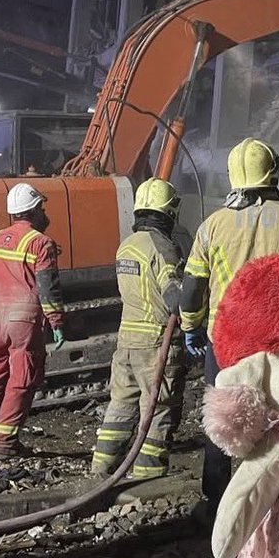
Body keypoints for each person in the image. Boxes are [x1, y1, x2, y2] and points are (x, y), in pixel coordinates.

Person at [180, 137, 279, 512]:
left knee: (223, 418)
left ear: (232, 174)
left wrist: (190, 324)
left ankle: (217, 501)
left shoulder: (212, 225)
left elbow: (193, 284)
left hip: (225, 340)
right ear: (272, 171)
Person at [91, 178, 186, 481]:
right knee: (158, 409)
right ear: (170, 212)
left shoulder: (126, 245)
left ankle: (101, 469)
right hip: (155, 342)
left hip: (126, 341)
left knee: (120, 405)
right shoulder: (163, 246)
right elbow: (174, 297)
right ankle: (149, 475)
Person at [0, 183, 64, 461]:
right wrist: (56, 321)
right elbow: (48, 288)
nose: (44, 213)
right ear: (33, 211)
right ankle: (3, 443)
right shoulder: (40, 242)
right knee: (22, 378)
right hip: (25, 320)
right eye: (41, 208)